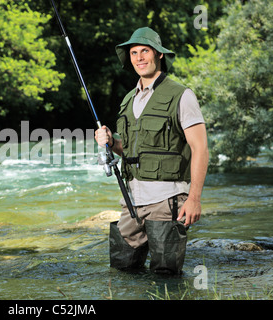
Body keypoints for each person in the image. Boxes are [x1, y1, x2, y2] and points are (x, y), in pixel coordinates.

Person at [95, 27, 209, 274]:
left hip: (167, 200)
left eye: (144, 51)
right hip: (132, 202)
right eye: (134, 52)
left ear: (159, 55)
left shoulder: (181, 95)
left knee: (165, 276)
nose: (139, 57)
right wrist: (110, 142)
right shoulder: (128, 100)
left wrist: (195, 198)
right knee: (121, 271)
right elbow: (130, 149)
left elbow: (200, 148)